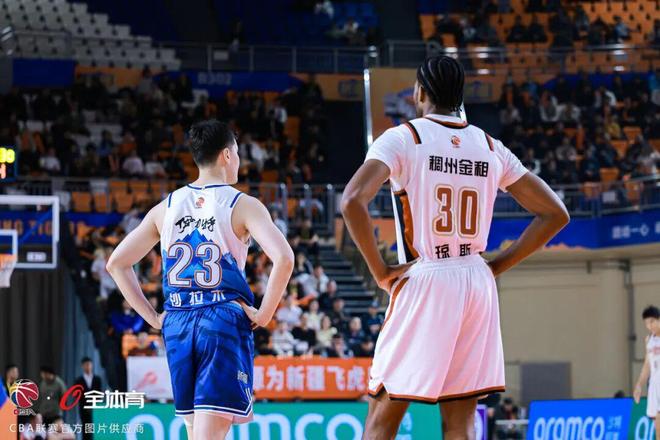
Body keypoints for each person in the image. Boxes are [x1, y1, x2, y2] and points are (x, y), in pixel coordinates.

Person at [341, 55, 569, 439]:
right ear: (460, 96)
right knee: (461, 419)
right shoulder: (490, 145)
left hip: (427, 276)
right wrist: (496, 265)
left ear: (420, 92)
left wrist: (379, 271)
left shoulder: (404, 137)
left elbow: (351, 201)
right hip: (477, 282)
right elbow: (555, 214)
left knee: (383, 414)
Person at [107, 120, 294, 439]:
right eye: (237, 152)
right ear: (227, 155)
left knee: (195, 431)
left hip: (178, 322)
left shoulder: (165, 207)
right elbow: (285, 258)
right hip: (220, 319)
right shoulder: (242, 204)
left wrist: (153, 318)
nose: (239, 159)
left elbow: (117, 263)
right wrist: (264, 315)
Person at [634, 305, 660, 439]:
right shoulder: (649, 340)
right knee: (657, 427)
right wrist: (639, 384)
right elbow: (647, 365)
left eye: (652, 322)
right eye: (647, 323)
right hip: (655, 385)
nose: (650, 326)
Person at [73, 357, 102, 440]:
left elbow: (99, 393)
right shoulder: (78, 380)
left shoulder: (97, 379)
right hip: (84, 407)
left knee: (96, 427)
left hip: (95, 407)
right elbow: (76, 395)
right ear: (82, 366)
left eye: (89, 364)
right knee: (86, 427)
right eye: (86, 365)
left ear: (92, 365)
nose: (88, 367)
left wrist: (94, 403)